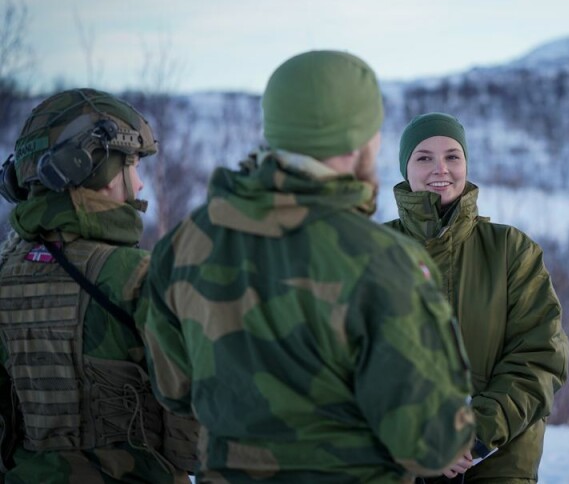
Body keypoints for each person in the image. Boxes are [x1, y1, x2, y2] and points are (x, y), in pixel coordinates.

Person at [137, 50, 476, 483]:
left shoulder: (183, 244)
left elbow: (173, 388)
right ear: (360, 142)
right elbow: (433, 442)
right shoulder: (384, 262)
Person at [0, 89, 195, 483]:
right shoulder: (141, 276)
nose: (139, 184)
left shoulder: (4, 271)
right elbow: (192, 425)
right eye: (133, 164)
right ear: (92, 165)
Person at [385, 112, 569, 483]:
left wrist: (472, 436)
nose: (441, 168)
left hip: (497, 465)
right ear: (406, 168)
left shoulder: (511, 250)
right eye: (424, 157)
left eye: (453, 156)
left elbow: (539, 357)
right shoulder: (373, 251)